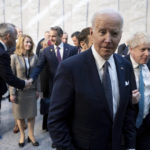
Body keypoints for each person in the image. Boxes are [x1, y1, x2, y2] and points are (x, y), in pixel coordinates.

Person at [47, 9, 137, 150]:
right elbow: (56, 121)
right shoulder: (70, 68)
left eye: (114, 33)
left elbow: (128, 111)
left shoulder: (125, 65)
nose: (108, 40)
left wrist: (131, 146)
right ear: (91, 33)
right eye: (102, 32)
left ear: (121, 35)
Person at [9, 34, 40, 147]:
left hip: (31, 91)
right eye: (26, 42)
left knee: (31, 115)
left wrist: (38, 90)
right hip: (19, 92)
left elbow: (38, 76)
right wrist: (12, 93)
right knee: (19, 116)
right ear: (21, 43)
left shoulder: (35, 57)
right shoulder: (14, 57)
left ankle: (31, 135)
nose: (29, 44)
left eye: (30, 42)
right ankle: (22, 135)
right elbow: (11, 77)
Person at [125, 32, 150, 150]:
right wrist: (128, 100)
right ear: (131, 49)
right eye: (143, 49)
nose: (147, 53)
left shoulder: (148, 65)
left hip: (146, 126)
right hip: (126, 129)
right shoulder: (121, 65)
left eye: (149, 49)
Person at [0, 23, 31, 109]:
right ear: (8, 36)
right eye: (15, 35)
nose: (16, 38)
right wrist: (24, 83)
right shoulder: (2, 54)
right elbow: (8, 77)